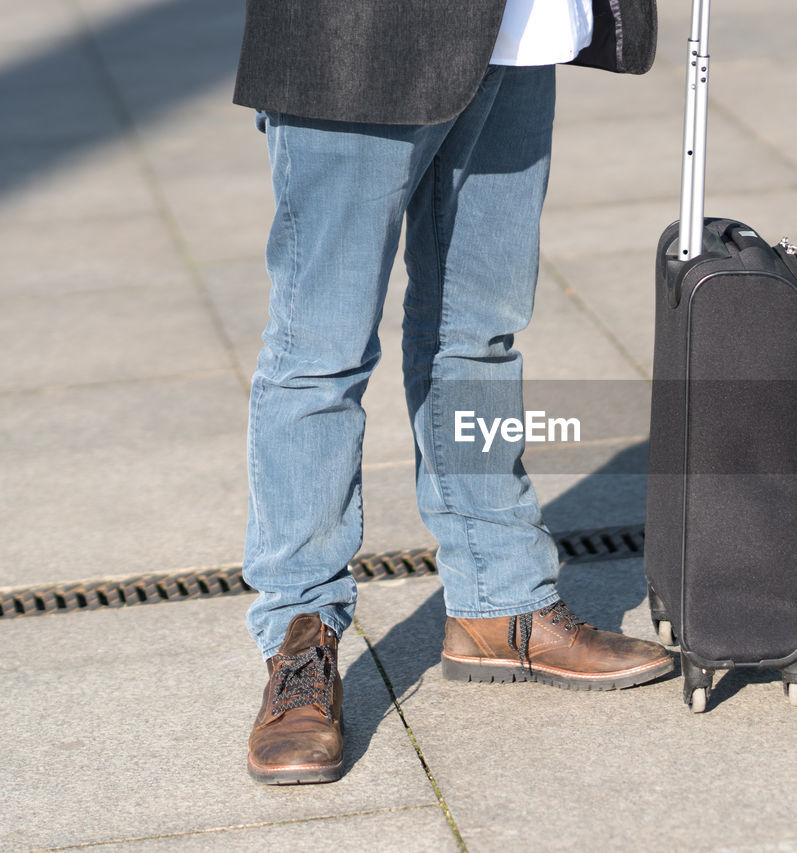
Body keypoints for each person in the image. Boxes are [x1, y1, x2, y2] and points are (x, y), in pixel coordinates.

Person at [233, 0, 672, 785]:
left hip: (520, 28)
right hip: (359, 35)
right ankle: (298, 641)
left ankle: (499, 601)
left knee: (480, 333)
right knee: (320, 350)